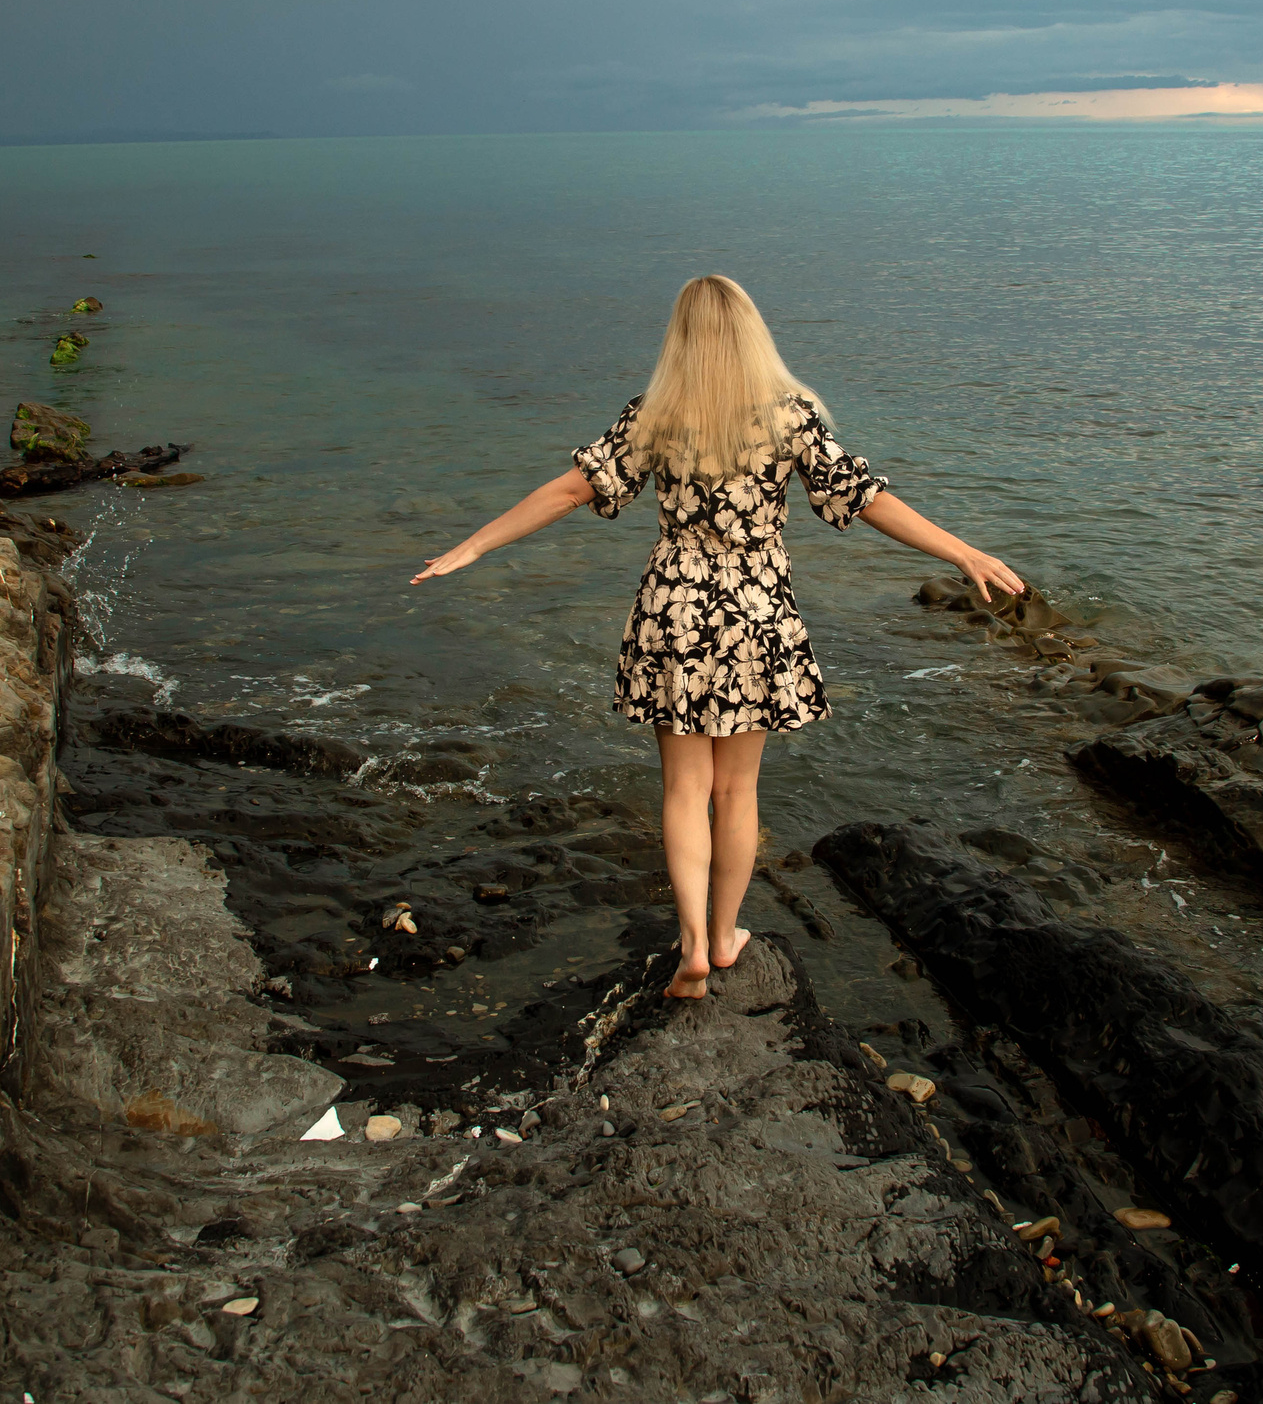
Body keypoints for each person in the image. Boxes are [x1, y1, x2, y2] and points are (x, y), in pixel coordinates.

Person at [412, 275, 1025, 998]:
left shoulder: (656, 417)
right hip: (757, 612)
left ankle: (693, 944)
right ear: (750, 333)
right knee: (737, 791)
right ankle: (727, 933)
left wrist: (475, 545)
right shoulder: (788, 417)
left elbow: (570, 489)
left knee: (683, 788)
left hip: (673, 610)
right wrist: (962, 551)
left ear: (682, 339)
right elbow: (866, 499)